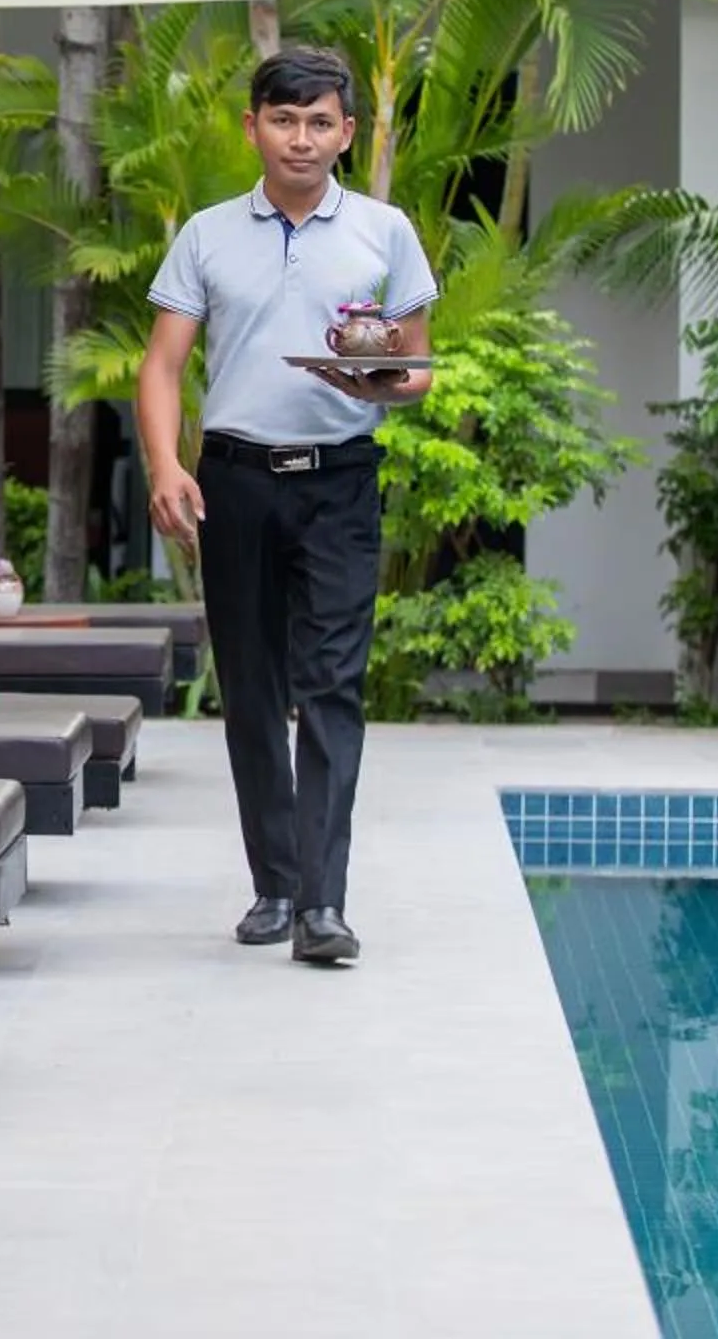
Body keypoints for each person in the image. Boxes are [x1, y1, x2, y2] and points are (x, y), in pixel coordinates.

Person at [137, 47, 435, 966]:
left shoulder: (385, 232)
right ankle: (274, 884)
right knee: (253, 687)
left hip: (341, 479)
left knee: (333, 685)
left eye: (318, 123)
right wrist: (164, 464)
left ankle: (323, 904)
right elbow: (163, 364)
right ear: (252, 127)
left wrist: (380, 376)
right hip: (234, 479)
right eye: (282, 119)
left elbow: (416, 369)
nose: (300, 139)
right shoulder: (207, 233)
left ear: (347, 132)